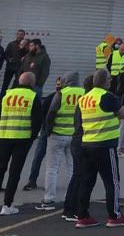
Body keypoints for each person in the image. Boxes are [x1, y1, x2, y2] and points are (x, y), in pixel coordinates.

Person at [74, 69, 124, 228]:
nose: (111, 81)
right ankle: (114, 216)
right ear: (105, 81)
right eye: (109, 79)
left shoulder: (84, 99)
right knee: (112, 181)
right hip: (105, 144)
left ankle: (83, 216)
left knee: (87, 181)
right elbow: (122, 114)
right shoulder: (106, 96)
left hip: (87, 144)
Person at [0, 72, 42, 216]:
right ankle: (7, 204)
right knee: (14, 172)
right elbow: (37, 121)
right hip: (22, 138)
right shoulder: (33, 96)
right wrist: (32, 137)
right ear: (32, 83)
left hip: (5, 136)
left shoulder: (7, 95)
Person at [35, 71, 81, 210]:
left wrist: (48, 131)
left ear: (67, 81)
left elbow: (51, 113)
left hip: (57, 135)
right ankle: (73, 197)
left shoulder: (61, 93)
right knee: (72, 168)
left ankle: (49, 200)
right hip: (74, 136)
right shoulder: (84, 93)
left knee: (52, 169)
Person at [61, 75, 93, 222]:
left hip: (76, 140)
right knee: (80, 176)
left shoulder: (82, 100)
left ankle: (69, 208)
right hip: (81, 141)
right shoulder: (88, 101)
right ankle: (73, 210)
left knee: (77, 175)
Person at [22, 76, 62, 191]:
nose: (58, 87)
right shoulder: (50, 98)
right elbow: (41, 114)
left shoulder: (53, 98)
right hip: (49, 131)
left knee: (50, 159)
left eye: (60, 85)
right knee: (40, 156)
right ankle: (32, 180)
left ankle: (38, 181)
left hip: (54, 131)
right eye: (57, 84)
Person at [2, 31, 26, 95]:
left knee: (17, 83)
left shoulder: (26, 45)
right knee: (5, 83)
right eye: (18, 34)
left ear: (24, 35)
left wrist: (22, 47)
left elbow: (27, 55)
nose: (19, 36)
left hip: (19, 67)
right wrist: (9, 59)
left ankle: (12, 95)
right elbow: (6, 54)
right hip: (10, 66)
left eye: (21, 34)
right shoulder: (11, 44)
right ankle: (2, 96)